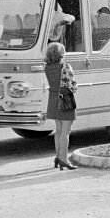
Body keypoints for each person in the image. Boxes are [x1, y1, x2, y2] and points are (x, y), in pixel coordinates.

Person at [44, 42, 77, 170]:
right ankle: (64, 159)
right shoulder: (65, 66)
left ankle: (58, 156)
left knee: (58, 130)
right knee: (66, 131)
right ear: (61, 54)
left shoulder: (48, 67)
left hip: (53, 99)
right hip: (65, 99)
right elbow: (72, 85)